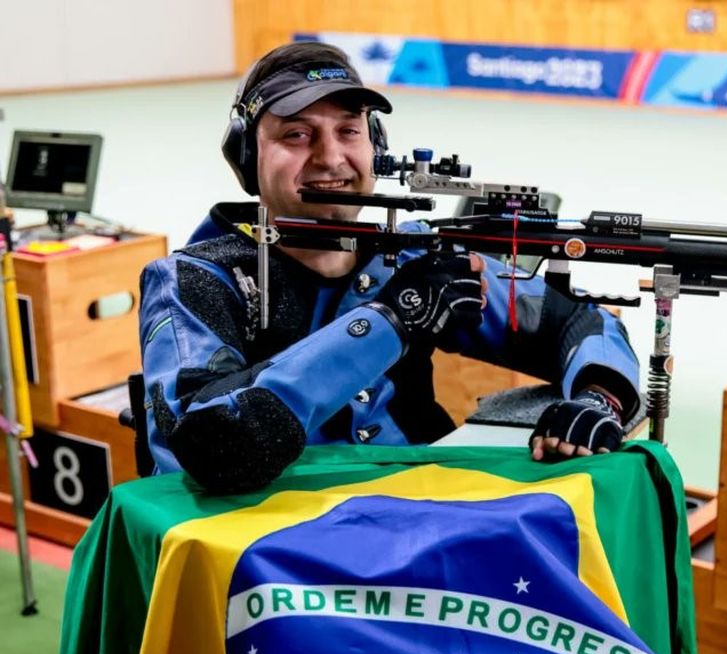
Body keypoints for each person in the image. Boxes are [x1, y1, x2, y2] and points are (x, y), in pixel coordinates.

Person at [138, 41, 640, 493]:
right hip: (274, 550)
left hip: (418, 513)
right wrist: (390, 321)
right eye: (296, 134)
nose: (330, 157)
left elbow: (580, 322)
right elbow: (210, 447)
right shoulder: (196, 282)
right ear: (247, 156)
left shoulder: (410, 254)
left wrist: (600, 398)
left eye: (349, 131)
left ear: (375, 148)